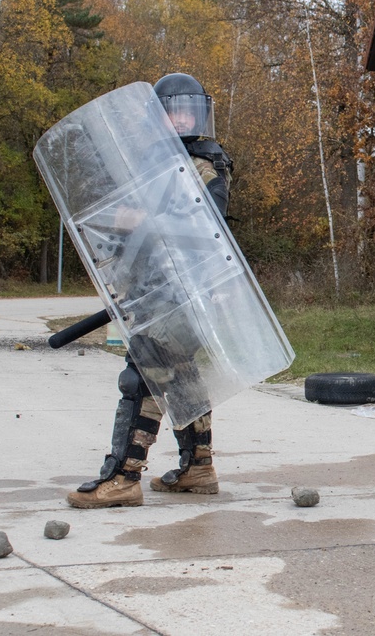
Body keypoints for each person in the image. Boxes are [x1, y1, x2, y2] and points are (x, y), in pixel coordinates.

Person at [67, 72, 234, 509]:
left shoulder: (206, 164)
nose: (181, 118)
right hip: (159, 291)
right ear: (158, 118)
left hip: (184, 295)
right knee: (181, 380)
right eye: (173, 110)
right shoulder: (154, 166)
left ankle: (122, 477)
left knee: (141, 377)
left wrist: (141, 220)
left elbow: (202, 226)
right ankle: (198, 466)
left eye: (188, 109)